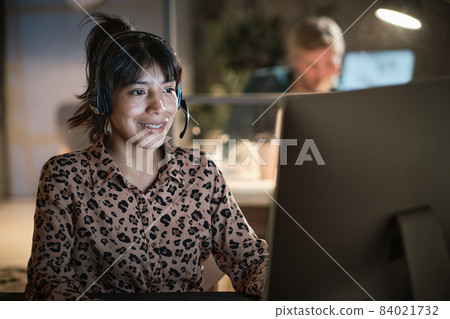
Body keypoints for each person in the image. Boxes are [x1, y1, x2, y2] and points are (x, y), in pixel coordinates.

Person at [25, 13, 269, 301]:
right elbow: (48, 281)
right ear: (103, 99)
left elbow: (250, 259)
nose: (159, 107)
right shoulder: (64, 176)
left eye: (168, 90)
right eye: (139, 91)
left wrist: (277, 286)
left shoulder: (200, 172)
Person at [245, 16, 345, 93]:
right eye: (312, 66)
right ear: (293, 61)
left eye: (328, 64)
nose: (321, 74)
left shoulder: (347, 100)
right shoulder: (263, 86)